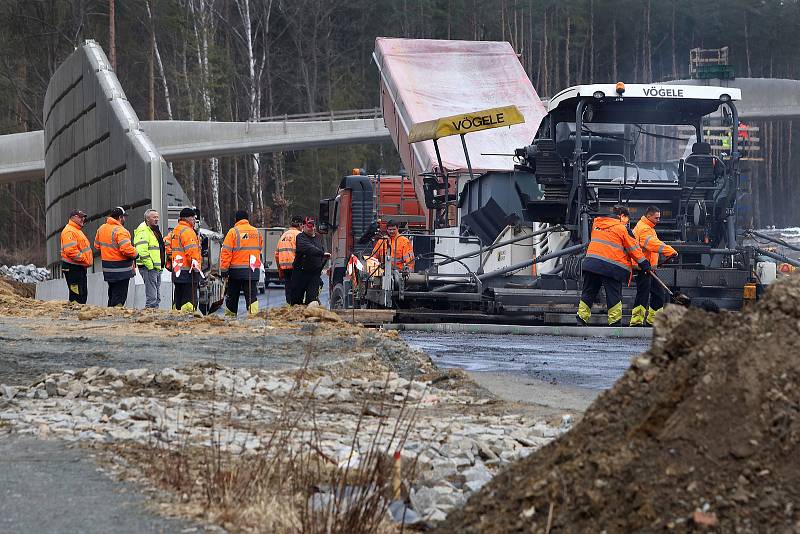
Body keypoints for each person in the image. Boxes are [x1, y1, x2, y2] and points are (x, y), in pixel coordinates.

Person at [577, 205, 650, 326]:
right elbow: (634, 249)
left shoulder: (597, 225)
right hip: (611, 267)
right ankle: (615, 323)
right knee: (613, 295)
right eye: (627, 219)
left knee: (589, 292)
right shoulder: (622, 229)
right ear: (622, 216)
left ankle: (581, 318)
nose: (627, 223)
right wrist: (645, 264)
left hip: (592, 264)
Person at [629, 206, 678, 327]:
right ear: (649, 216)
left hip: (647, 268)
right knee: (644, 294)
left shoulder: (647, 227)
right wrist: (669, 250)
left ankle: (652, 320)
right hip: (642, 268)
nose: (658, 220)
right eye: (657, 217)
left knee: (658, 294)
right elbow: (653, 244)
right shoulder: (644, 229)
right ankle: (636, 322)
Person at [220, 210, 264, 316]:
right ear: (247, 219)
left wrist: (224, 270)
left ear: (236, 219)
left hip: (236, 272)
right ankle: (253, 317)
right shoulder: (257, 232)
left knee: (232, 296)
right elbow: (259, 250)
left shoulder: (233, 232)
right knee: (252, 296)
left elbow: (226, 253)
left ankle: (231, 318)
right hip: (252, 271)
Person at [94, 206, 138, 307]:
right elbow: (126, 248)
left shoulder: (101, 228)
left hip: (108, 269)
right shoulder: (121, 231)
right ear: (120, 217)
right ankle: (116, 317)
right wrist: (136, 254)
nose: (124, 219)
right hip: (121, 270)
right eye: (124, 217)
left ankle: (110, 314)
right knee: (120, 297)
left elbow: (96, 245)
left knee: (112, 294)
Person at [291, 217, 330, 305]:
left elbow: (321, 250)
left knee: (312, 300)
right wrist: (322, 254)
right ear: (303, 226)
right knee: (296, 300)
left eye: (313, 226)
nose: (311, 228)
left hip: (314, 274)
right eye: (309, 226)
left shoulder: (318, 237)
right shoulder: (300, 237)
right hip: (300, 273)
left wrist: (322, 262)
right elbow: (308, 248)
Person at [170, 208, 202, 312]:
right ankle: (187, 317)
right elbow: (191, 252)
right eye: (194, 218)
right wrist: (197, 269)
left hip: (177, 270)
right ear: (188, 218)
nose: (194, 221)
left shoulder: (176, 230)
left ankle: (176, 315)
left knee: (178, 296)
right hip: (188, 271)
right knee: (189, 298)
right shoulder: (188, 231)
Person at [133, 209, 165, 309]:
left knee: (156, 296)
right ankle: (149, 316)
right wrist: (150, 266)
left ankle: (154, 317)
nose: (157, 219)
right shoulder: (143, 231)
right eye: (154, 217)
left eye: (157, 217)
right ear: (147, 219)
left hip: (156, 268)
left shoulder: (153, 230)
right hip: (149, 268)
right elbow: (141, 250)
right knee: (152, 297)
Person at [60, 209, 93, 304]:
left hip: (78, 267)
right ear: (73, 218)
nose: (82, 219)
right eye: (80, 217)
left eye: (83, 217)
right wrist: (84, 259)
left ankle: (77, 313)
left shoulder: (76, 230)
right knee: (76, 296)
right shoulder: (69, 231)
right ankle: (74, 315)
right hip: (72, 268)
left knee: (81, 294)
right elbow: (70, 251)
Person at [275, 215, 303, 303]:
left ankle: (289, 306)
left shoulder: (283, 236)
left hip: (285, 268)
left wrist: (280, 271)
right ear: (300, 225)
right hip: (296, 267)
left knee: (288, 289)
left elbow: (276, 255)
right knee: (298, 289)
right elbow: (303, 252)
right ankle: (296, 307)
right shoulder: (300, 235)